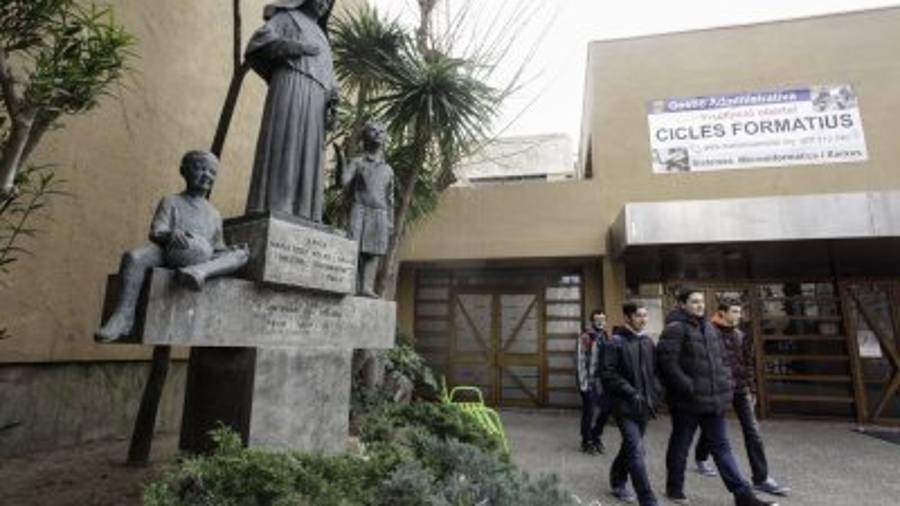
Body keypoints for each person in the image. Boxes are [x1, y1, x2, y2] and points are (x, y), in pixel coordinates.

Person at [95, 151, 249, 343]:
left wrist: (231, 251)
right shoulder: (171, 201)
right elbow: (156, 231)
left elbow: (217, 248)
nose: (206, 176)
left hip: (200, 257)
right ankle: (123, 316)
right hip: (168, 251)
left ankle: (198, 272)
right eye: (200, 168)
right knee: (133, 257)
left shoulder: (214, 214)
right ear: (184, 171)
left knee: (240, 255)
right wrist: (170, 235)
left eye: (212, 172)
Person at [657, 287, 778, 506]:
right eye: (694, 302)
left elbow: (722, 360)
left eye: (701, 302)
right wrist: (689, 386)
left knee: (722, 448)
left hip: (713, 402)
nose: (700, 305)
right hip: (687, 403)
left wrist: (727, 383)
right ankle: (674, 489)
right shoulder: (675, 328)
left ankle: (743, 496)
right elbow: (667, 364)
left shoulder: (709, 328)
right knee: (680, 446)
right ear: (682, 304)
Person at [244, 0, 340, 222]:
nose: (325, 5)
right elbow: (257, 44)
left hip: (317, 100)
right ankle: (279, 204)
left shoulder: (322, 36)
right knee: (286, 142)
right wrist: (294, 47)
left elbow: (330, 75)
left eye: (329, 2)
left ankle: (304, 211)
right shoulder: (287, 18)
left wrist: (334, 98)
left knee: (309, 153)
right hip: (291, 84)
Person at [693, 299, 790, 497]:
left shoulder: (739, 335)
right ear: (721, 313)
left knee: (753, 431)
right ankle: (701, 457)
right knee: (714, 428)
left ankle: (761, 478)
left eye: (739, 311)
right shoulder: (709, 333)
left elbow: (747, 363)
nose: (739, 315)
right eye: (735, 312)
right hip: (719, 389)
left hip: (740, 389)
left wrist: (751, 388)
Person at [601, 301, 660, 505]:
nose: (643, 320)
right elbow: (608, 374)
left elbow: (655, 373)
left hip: (644, 405)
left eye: (645, 315)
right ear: (627, 318)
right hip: (624, 405)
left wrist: (656, 393)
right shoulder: (615, 342)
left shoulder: (647, 342)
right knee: (636, 449)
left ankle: (617, 481)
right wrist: (631, 392)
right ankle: (647, 498)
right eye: (638, 316)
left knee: (630, 446)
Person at [340, 121, 395, 297]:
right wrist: (342, 161)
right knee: (354, 246)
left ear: (386, 137)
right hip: (360, 208)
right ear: (365, 136)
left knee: (373, 252)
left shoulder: (388, 169)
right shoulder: (357, 162)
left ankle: (366, 287)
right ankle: (349, 283)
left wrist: (390, 221)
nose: (378, 133)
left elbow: (390, 199)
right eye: (373, 130)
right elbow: (343, 182)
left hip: (380, 212)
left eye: (382, 131)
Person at [576, 309, 610, 454]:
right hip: (589, 381)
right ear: (592, 321)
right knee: (589, 412)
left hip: (603, 381)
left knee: (606, 410)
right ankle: (586, 441)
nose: (600, 322)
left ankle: (596, 436)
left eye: (602, 319)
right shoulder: (585, 337)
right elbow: (580, 361)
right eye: (597, 319)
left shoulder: (605, 336)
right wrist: (583, 384)